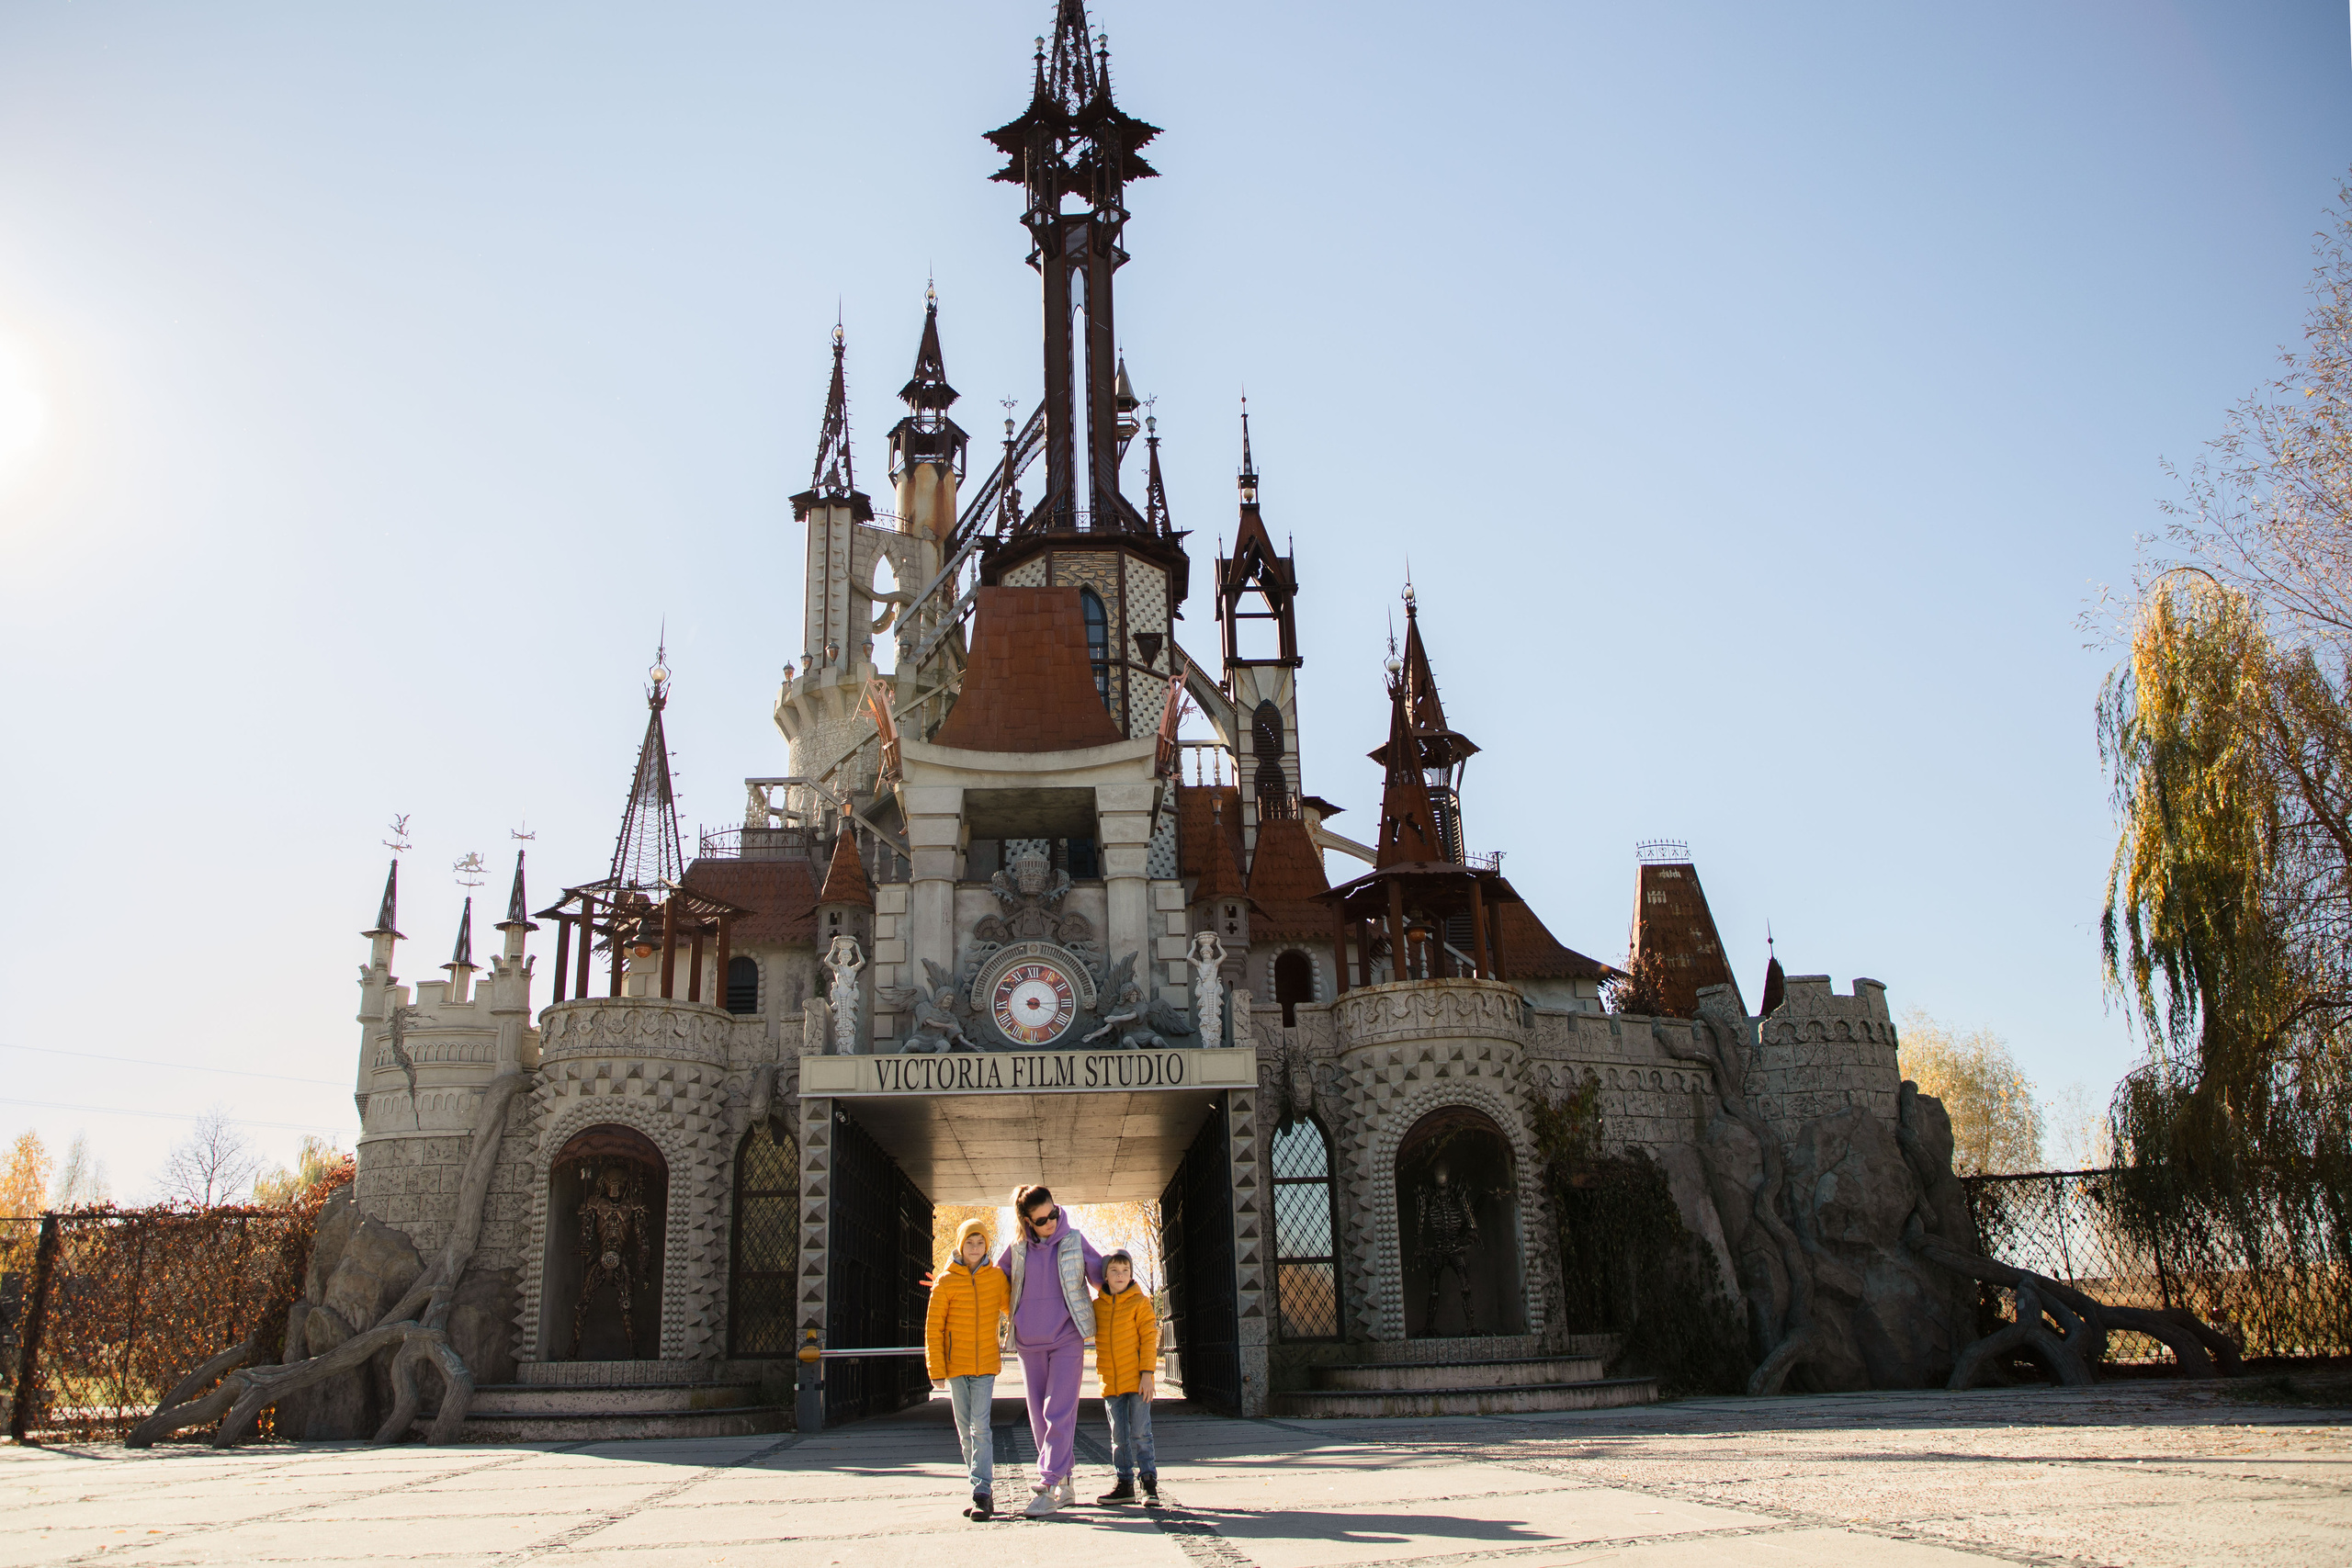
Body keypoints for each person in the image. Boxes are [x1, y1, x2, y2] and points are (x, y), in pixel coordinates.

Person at [998, 1183, 1102, 1517]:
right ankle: (1066, 1479)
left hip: (1066, 1337)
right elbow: (992, 1282)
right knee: (1038, 1420)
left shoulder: (1074, 1240)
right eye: (1041, 1220)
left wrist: (1123, 1279)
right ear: (1028, 1221)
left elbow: (1102, 1272)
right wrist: (955, 1278)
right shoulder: (1016, 1249)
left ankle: (1047, 1485)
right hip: (1029, 1342)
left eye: (1053, 1213)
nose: (1051, 1222)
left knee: (1058, 1411)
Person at [926, 1217, 1010, 1520]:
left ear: (987, 1246)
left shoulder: (996, 1278)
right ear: (961, 1245)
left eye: (981, 1243)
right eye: (970, 1242)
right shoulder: (945, 1282)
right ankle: (977, 1485)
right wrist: (936, 1369)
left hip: (986, 1364)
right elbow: (933, 1328)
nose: (975, 1248)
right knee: (965, 1433)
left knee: (980, 1428)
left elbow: (1014, 1308)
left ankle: (982, 1492)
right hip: (955, 1367)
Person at [1091, 1248, 1159, 1506]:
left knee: (1142, 1434)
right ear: (1105, 1276)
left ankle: (1148, 1483)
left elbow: (1149, 1339)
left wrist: (1147, 1374)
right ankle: (1124, 1483)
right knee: (1118, 1438)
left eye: (1125, 1271)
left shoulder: (1140, 1303)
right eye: (1114, 1271)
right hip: (1110, 1382)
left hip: (1138, 1382)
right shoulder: (1097, 1306)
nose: (1120, 1275)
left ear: (1131, 1275)